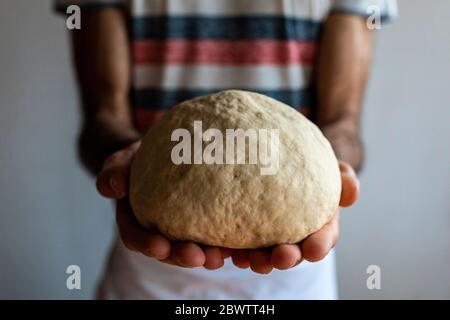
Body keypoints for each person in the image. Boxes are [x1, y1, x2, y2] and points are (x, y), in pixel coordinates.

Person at [56, 0, 397, 299]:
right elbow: (102, 116)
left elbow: (342, 123)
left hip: (297, 262)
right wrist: (125, 163)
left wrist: (332, 169)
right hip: (150, 261)